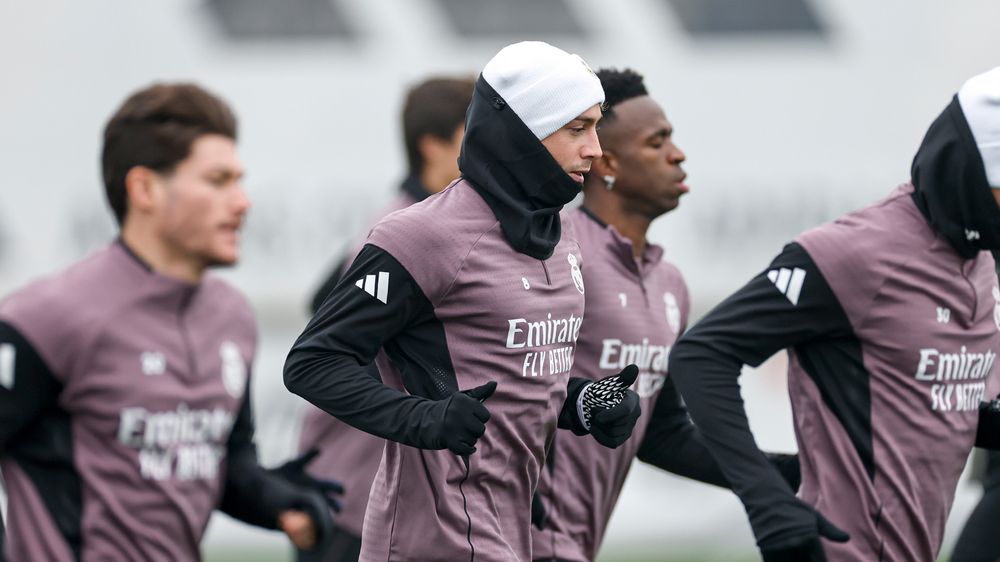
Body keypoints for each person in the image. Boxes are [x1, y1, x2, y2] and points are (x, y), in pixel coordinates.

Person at [284, 41, 643, 562]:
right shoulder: (422, 232)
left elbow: (510, 380)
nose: (595, 149)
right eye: (576, 128)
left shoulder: (561, 232)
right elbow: (313, 362)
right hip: (428, 545)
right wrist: (422, 419)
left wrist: (585, 405)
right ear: (524, 132)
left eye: (596, 126)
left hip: (504, 536)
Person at [668, 66, 1000, 561]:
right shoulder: (855, 253)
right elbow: (702, 352)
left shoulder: (980, 259)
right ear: (970, 171)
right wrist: (766, 499)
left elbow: (947, 409)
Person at [0, 83, 341, 562]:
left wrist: (277, 501)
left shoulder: (233, 317)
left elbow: (226, 463)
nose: (242, 202)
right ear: (144, 189)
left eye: (239, 180)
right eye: (218, 180)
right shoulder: (47, 317)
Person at [529, 68, 799, 562]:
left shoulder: (667, 280)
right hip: (515, 542)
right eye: (657, 142)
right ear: (607, 163)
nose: (678, 155)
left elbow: (660, 432)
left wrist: (781, 472)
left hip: (577, 546)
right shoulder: (554, 255)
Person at [297, 75, 475, 562]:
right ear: (433, 147)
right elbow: (323, 353)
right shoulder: (402, 236)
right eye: (473, 135)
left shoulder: (423, 228)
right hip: (350, 502)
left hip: (375, 501)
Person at [309, 76, 475, 313]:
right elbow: (335, 327)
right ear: (433, 146)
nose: (487, 144)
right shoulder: (394, 235)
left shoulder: (466, 218)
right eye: (472, 133)